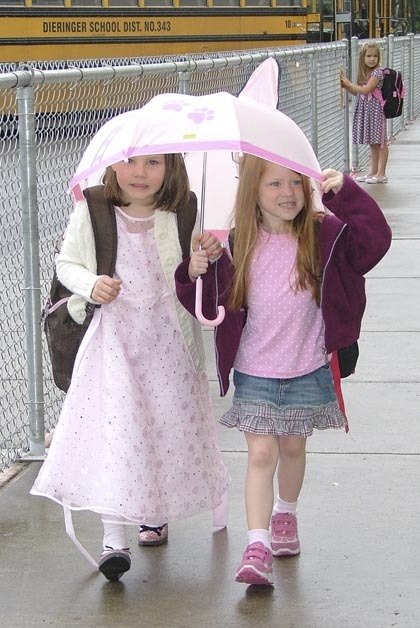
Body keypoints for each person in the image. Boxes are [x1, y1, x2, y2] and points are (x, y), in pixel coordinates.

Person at [175, 157, 391, 586]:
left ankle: (285, 516)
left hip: (307, 365)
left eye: (295, 182)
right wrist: (194, 270)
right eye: (274, 183)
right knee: (260, 453)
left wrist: (344, 192)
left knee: (292, 449)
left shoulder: (324, 235)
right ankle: (256, 546)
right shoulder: (235, 245)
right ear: (252, 189)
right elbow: (203, 305)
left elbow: (376, 241)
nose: (288, 193)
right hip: (255, 369)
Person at [31, 153, 230, 581]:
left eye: (153, 163)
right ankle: (113, 538)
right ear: (112, 165)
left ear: (171, 168)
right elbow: (66, 264)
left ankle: (152, 510)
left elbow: (187, 274)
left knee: (160, 427)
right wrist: (92, 284)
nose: (140, 173)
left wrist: (201, 260)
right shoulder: (94, 208)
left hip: (167, 341)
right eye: (130, 162)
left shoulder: (183, 210)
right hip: (114, 339)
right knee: (119, 431)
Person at [341, 41, 389, 184]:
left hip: (376, 111)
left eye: (375, 56)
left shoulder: (377, 73)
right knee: (373, 143)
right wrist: (347, 87)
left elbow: (365, 90)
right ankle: (373, 172)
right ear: (363, 57)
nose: (372, 59)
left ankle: (381, 174)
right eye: (368, 56)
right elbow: (360, 93)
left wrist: (349, 84)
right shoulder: (365, 73)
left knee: (381, 142)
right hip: (368, 111)